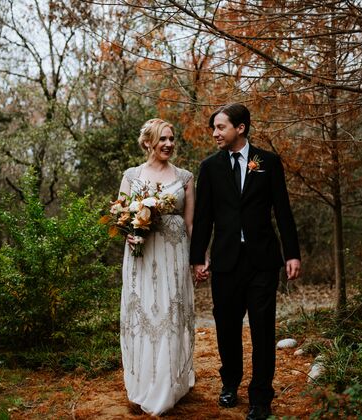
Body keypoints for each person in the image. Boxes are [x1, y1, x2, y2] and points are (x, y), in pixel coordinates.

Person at [190, 103, 301, 420]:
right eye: (213, 128)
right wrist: (198, 257)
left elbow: (282, 210)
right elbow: (203, 217)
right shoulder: (209, 168)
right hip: (226, 262)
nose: (215, 133)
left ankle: (261, 397)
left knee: (263, 330)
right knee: (226, 327)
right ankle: (230, 382)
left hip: (262, 261)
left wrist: (292, 253)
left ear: (240, 128)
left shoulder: (268, 162)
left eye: (220, 127)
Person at [118, 118, 196, 415]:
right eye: (163, 139)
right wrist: (129, 234)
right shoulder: (131, 175)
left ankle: (170, 385)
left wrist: (200, 258)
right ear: (148, 142)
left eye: (171, 139)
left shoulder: (185, 177)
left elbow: (191, 223)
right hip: (142, 255)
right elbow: (121, 217)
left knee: (170, 312)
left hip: (174, 255)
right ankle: (144, 384)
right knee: (144, 313)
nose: (169, 144)